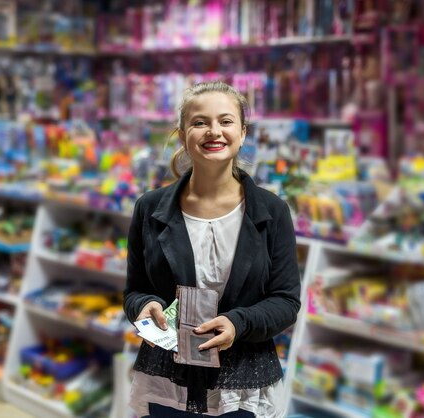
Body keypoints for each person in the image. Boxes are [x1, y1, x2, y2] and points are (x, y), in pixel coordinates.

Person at [123, 81, 301, 417]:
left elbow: (286, 301)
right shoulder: (149, 209)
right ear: (182, 134)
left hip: (242, 385)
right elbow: (134, 291)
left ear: (243, 132)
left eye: (226, 121)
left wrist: (238, 323)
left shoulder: (271, 211)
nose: (213, 131)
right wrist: (144, 306)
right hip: (166, 382)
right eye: (200, 122)